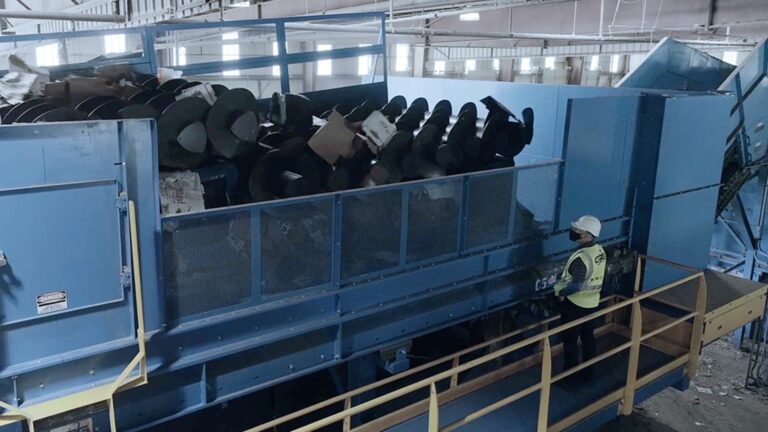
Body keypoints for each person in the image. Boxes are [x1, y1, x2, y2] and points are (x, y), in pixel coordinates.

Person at [553, 215, 606, 387]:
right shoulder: (599, 251)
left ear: (587, 235)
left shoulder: (581, 258)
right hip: (592, 304)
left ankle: (569, 379)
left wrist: (561, 292)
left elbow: (577, 286)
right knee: (588, 338)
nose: (574, 232)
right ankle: (588, 374)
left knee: (570, 342)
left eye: (578, 230)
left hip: (575, 305)